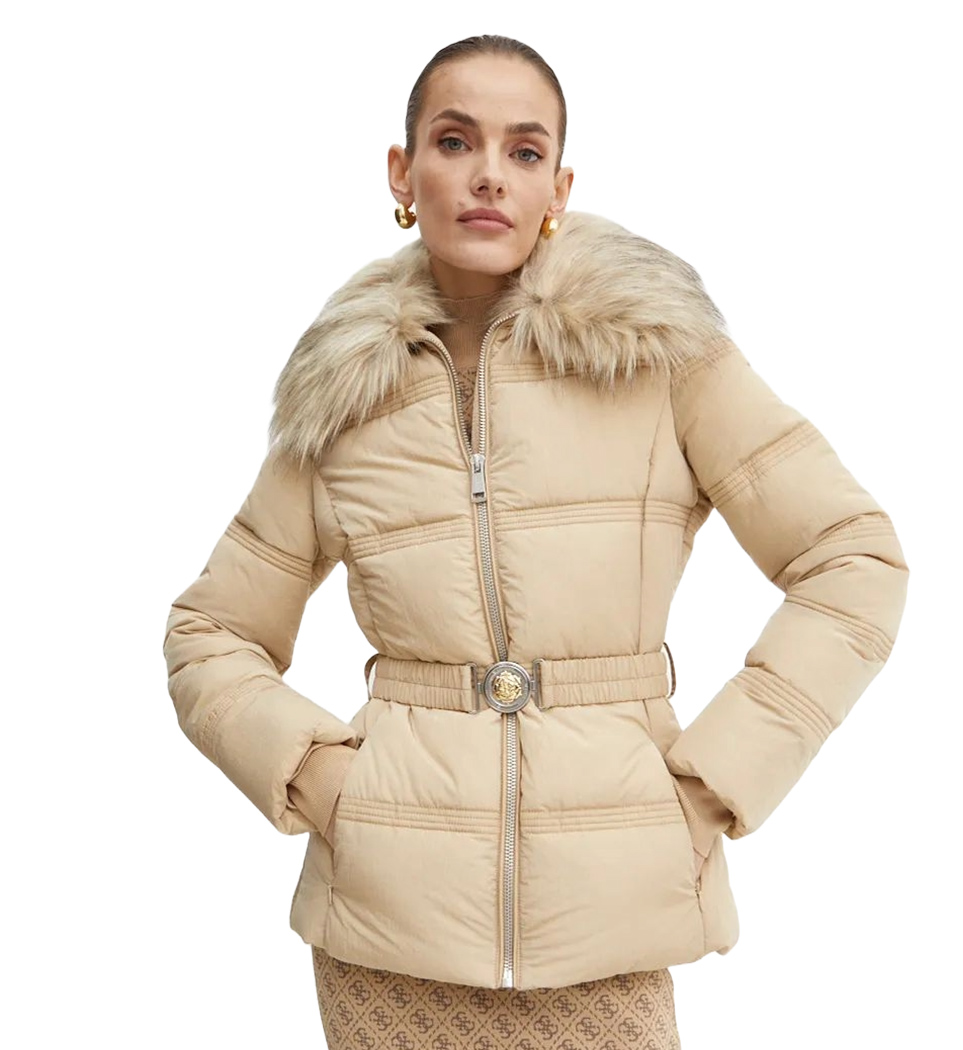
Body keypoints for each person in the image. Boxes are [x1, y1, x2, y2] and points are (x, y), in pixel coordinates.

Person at [162, 33, 910, 1050]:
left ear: (559, 186)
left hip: (613, 918)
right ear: (402, 173)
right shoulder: (344, 393)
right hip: (387, 933)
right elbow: (210, 632)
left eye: (523, 150)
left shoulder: (660, 355)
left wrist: (709, 787)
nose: (488, 175)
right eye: (454, 141)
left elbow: (852, 559)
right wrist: (327, 784)